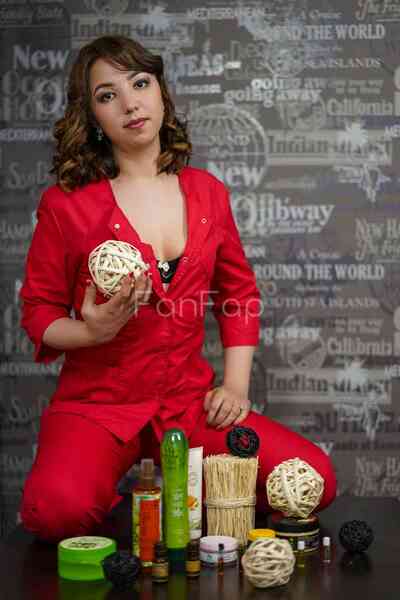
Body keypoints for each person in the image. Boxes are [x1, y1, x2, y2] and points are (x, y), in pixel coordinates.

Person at [20, 35, 336, 543]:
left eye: (140, 83)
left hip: (188, 405)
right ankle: (148, 503)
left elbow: (238, 294)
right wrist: (90, 332)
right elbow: (38, 311)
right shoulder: (66, 205)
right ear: (92, 116)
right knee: (54, 512)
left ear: (161, 93)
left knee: (311, 480)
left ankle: (178, 498)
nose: (130, 103)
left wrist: (235, 386)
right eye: (107, 95)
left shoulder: (207, 192)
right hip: (99, 405)